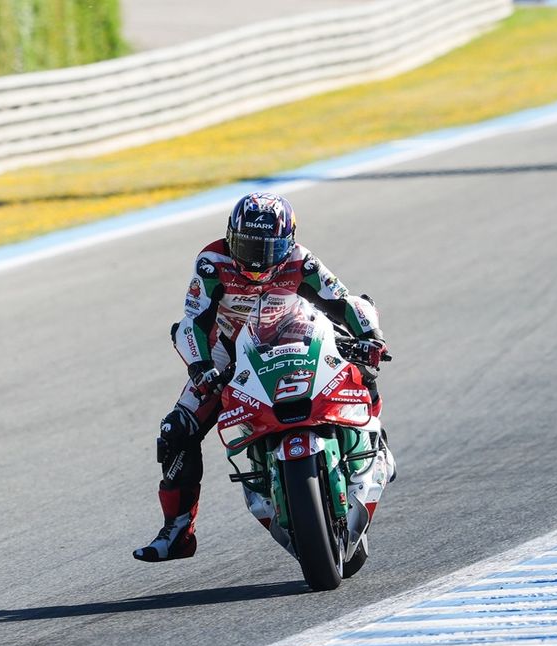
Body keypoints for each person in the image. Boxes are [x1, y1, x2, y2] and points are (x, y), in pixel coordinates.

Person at [133, 192, 390, 562]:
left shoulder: (302, 260)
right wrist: (201, 367)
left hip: (294, 335)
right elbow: (192, 323)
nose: (254, 260)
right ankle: (177, 533)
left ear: (286, 243)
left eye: (266, 249)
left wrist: (371, 339)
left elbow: (344, 301)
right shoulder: (213, 262)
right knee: (176, 430)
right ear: (230, 236)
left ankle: (373, 433)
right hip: (229, 351)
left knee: (360, 363)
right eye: (247, 245)